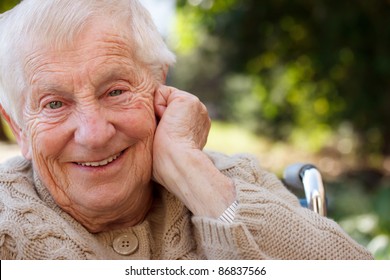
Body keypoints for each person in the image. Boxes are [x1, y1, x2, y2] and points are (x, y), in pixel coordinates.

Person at [0, 0, 372, 260]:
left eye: (115, 91)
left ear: (159, 86)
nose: (93, 134)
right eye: (54, 104)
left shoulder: (231, 181)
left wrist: (190, 171)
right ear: (19, 127)